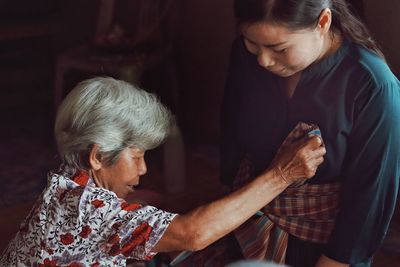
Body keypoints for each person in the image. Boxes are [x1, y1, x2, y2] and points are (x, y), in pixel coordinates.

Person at [0, 77, 325, 266]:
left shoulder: (67, 181)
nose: (142, 169)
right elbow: (193, 234)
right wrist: (283, 174)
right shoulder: (90, 211)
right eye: (138, 155)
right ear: (98, 156)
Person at [220, 0, 400, 267]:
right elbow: (230, 132)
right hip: (246, 221)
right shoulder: (244, 56)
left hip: (325, 245)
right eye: (251, 42)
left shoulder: (372, 84)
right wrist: (223, 212)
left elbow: (371, 195)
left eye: (279, 48)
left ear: (323, 22)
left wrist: (335, 260)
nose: (263, 60)